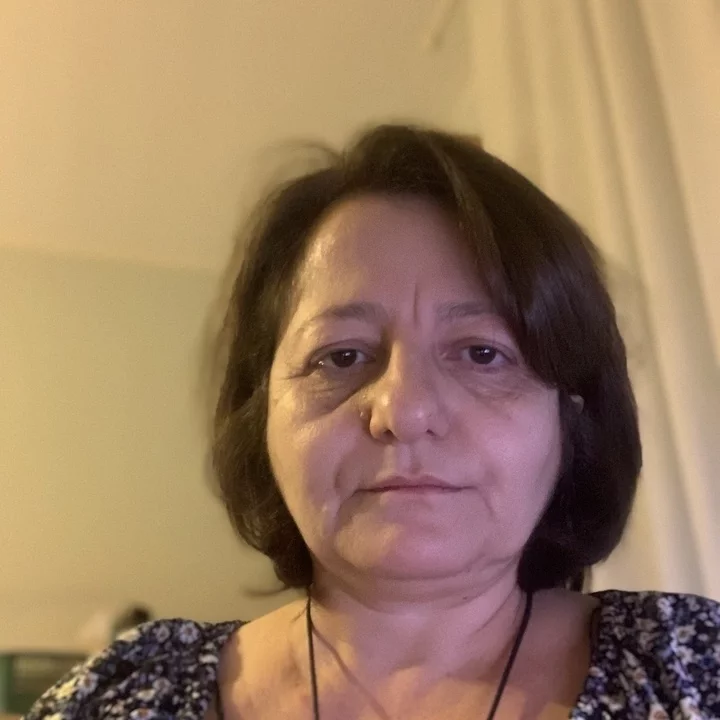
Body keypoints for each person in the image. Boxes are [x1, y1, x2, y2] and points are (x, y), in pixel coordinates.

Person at [25, 124, 719, 719]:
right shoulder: (113, 698)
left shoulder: (694, 674)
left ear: (570, 418)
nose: (404, 411)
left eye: (483, 353)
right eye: (341, 356)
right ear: (260, 415)